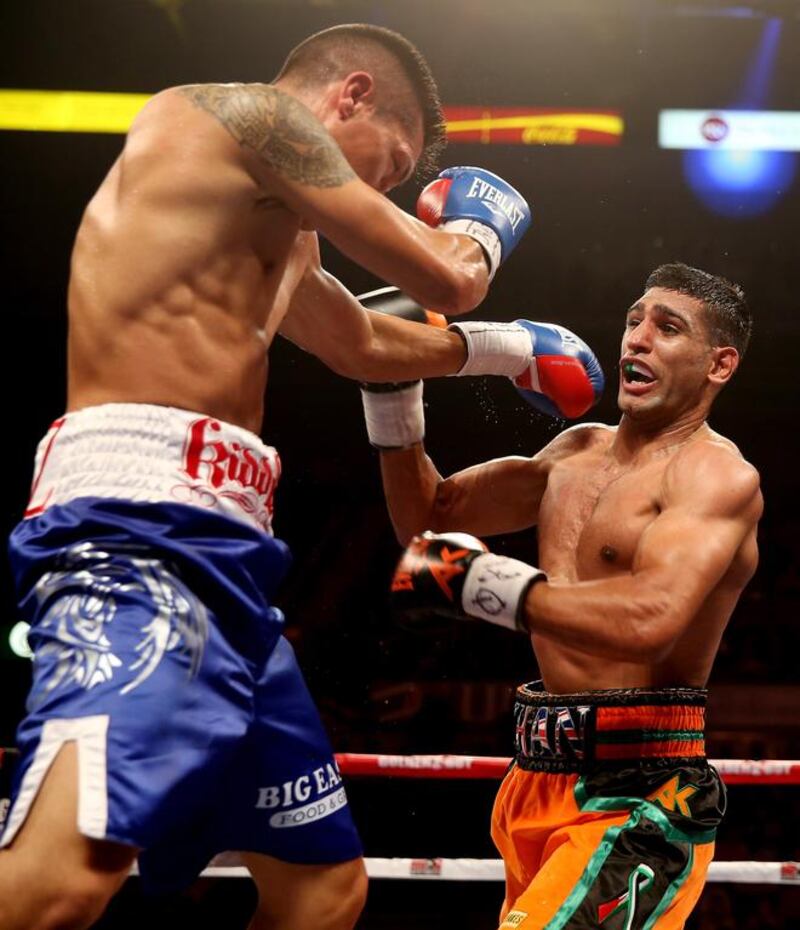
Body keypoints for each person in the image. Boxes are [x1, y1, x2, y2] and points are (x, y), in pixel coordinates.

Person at [0, 22, 584, 930]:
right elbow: (448, 276)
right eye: (382, 169)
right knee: (67, 879)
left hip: (229, 561)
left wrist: (506, 353)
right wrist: (478, 228)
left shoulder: (278, 230)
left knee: (321, 889)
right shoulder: (238, 117)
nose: (371, 194)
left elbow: (362, 347)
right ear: (348, 95)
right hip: (135, 530)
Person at [373, 263, 762, 928]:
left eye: (668, 329)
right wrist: (391, 394)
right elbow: (430, 519)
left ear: (718, 364)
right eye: (635, 319)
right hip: (533, 779)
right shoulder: (574, 452)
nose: (637, 339)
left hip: (642, 795)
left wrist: (487, 584)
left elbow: (650, 617)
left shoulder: (718, 478)